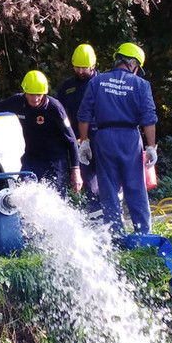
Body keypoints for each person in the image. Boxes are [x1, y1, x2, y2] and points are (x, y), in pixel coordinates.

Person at [0, 70, 83, 197]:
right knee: (25, 193)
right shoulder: (18, 102)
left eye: (39, 95)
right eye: (31, 94)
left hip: (55, 160)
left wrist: (75, 170)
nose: (35, 99)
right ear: (24, 92)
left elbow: (71, 140)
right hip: (32, 157)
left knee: (56, 198)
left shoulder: (54, 108)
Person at [76, 42, 158, 235]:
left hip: (104, 138)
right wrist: (151, 146)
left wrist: (85, 141)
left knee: (108, 187)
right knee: (135, 186)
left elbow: (84, 114)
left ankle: (116, 235)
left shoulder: (97, 82)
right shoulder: (141, 85)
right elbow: (149, 118)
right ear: (132, 63)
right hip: (130, 137)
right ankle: (143, 234)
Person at [57, 44, 101, 216]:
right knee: (89, 181)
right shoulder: (67, 86)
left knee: (109, 177)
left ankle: (113, 212)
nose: (80, 71)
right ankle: (95, 215)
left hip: (102, 137)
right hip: (79, 140)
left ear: (93, 66)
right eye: (77, 67)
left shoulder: (102, 84)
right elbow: (60, 111)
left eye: (84, 68)